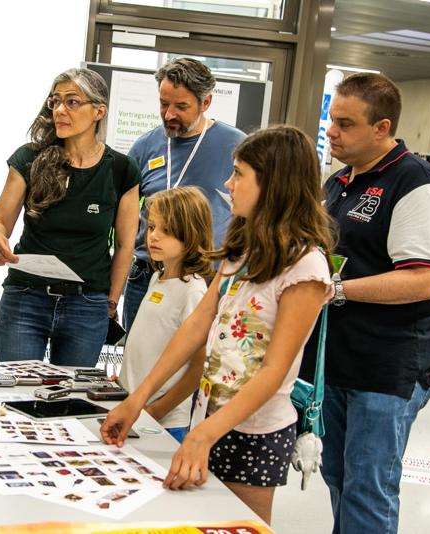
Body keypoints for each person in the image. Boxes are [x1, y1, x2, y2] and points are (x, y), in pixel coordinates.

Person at [101, 126, 333, 525]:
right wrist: (137, 399)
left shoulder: (307, 267)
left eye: (239, 174)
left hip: (256, 433)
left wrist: (203, 435)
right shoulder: (242, 250)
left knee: (238, 527)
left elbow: (275, 370)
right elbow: (195, 327)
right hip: (208, 418)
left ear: (274, 184)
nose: (229, 183)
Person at [302, 72, 430, 534]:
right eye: (332, 121)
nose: (332, 132)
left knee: (369, 485)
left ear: (382, 128)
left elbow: (426, 280)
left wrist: (335, 290)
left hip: (390, 363)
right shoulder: (339, 182)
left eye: (346, 124)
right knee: (338, 476)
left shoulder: (416, 184)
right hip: (339, 359)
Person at [0, 68, 140, 367]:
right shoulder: (29, 159)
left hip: (87, 304)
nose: (59, 110)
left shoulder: (121, 169)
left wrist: (110, 302)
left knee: (68, 402)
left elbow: (125, 246)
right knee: (14, 395)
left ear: (98, 111)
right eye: (55, 102)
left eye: (72, 102)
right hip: (26, 298)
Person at [123, 58, 246, 330]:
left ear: (206, 103)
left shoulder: (236, 145)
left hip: (206, 279)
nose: (169, 115)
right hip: (147, 276)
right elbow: (124, 216)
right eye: (163, 104)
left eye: (181, 106)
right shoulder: (145, 146)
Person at [117, 187, 214, 443]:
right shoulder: (157, 278)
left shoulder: (193, 290)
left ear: (191, 234)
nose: (154, 236)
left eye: (166, 230)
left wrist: (156, 411)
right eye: (151, 227)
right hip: (133, 408)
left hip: (164, 422)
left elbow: (197, 369)